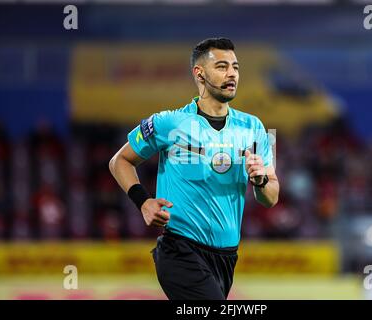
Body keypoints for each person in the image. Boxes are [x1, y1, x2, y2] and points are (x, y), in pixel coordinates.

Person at [109, 37, 280, 300]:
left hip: (226, 257)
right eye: (222, 66)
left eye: (235, 67)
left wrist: (259, 180)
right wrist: (143, 202)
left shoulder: (255, 127)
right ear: (199, 73)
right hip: (180, 250)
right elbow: (119, 161)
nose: (232, 73)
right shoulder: (169, 122)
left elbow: (271, 197)